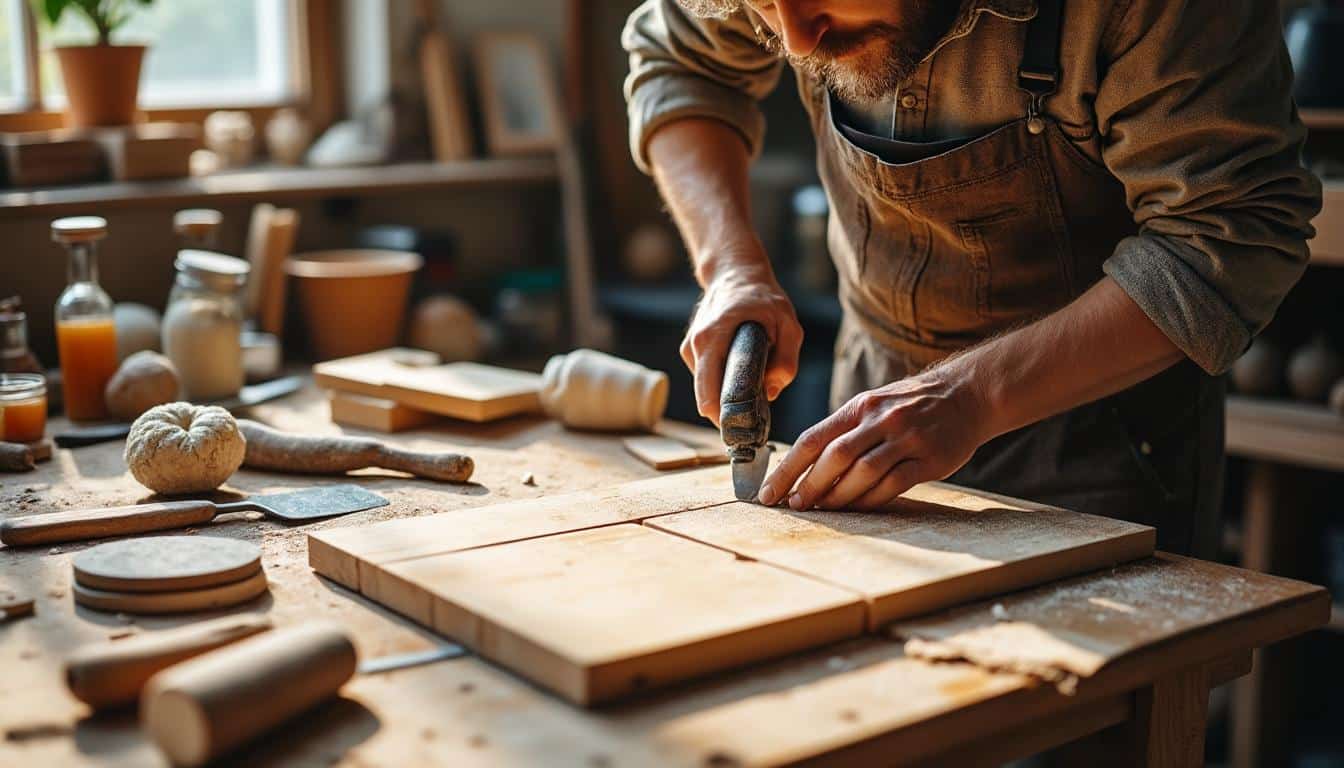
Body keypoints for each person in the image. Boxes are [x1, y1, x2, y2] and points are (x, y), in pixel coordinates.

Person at [623, 0, 1322, 556]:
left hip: (1099, 447)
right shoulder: (789, 13)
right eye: (763, 9)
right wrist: (732, 270)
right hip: (867, 399)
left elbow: (1229, 231)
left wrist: (971, 395)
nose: (798, 43)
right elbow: (680, 65)